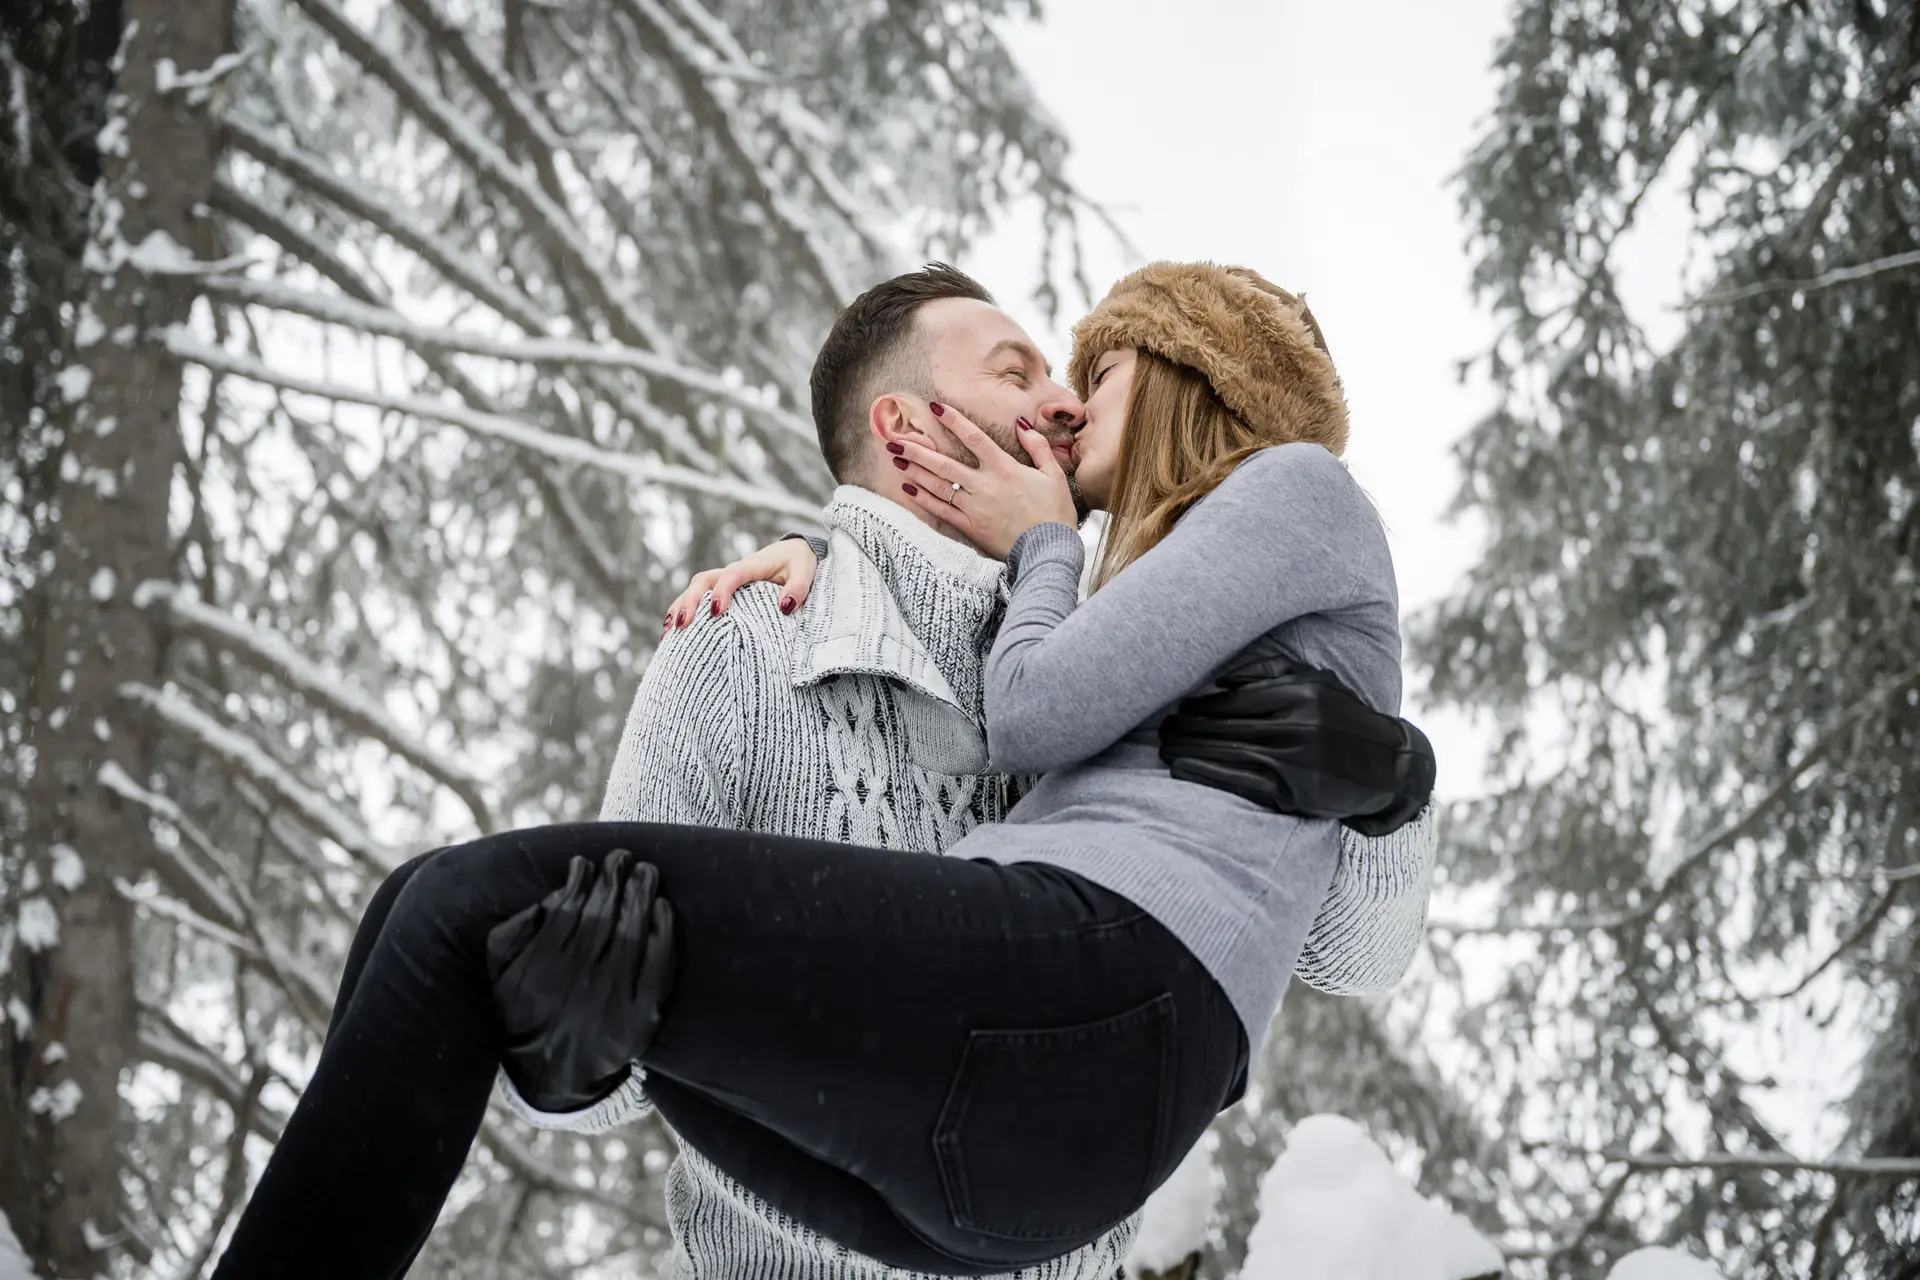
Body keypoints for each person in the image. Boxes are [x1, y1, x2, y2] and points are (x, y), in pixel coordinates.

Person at [212, 262, 1438, 1279]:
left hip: (1051, 1167)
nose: (1063, 403)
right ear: (908, 428)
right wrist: (565, 1054)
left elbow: (1351, 955)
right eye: (1018, 372)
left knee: (444, 908)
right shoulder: (748, 649)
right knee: (438, 914)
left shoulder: (1135, 626)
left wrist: (1392, 784)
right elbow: (608, 1080)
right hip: (875, 1210)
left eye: (1076, 377)